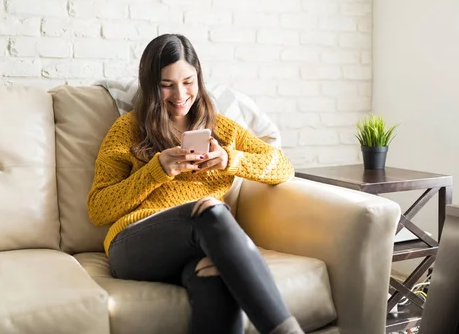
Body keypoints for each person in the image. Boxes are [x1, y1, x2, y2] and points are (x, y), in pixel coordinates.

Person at [87, 34, 303, 334]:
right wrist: (156, 169)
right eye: (167, 85)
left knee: (214, 278)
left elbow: (283, 167)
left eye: (188, 81)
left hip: (198, 249)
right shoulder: (127, 130)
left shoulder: (222, 128)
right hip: (134, 244)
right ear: (151, 85)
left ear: (199, 78)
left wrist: (230, 159)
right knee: (211, 211)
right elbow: (98, 208)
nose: (180, 94)